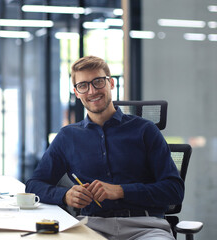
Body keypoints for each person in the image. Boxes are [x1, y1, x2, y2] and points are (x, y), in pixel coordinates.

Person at [25, 55, 184, 239]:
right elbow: (34, 185)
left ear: (111, 84)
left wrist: (120, 191)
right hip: (91, 227)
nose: (92, 91)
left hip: (146, 227)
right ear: (76, 92)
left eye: (98, 82)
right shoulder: (68, 137)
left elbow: (174, 190)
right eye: (83, 85)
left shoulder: (145, 130)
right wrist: (65, 195)